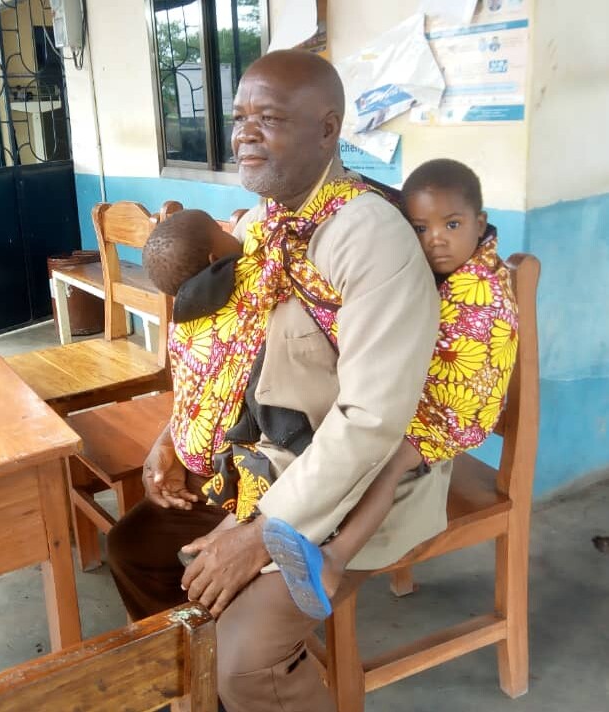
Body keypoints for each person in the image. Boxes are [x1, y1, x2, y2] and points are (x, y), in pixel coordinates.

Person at [107, 49, 443, 712]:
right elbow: (226, 353)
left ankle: (238, 683)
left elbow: (372, 420)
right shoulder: (260, 227)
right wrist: (173, 438)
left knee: (245, 665)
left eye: (269, 117)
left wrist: (261, 532)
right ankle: (198, 691)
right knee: (133, 548)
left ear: (326, 130)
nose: (244, 134)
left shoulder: (366, 236)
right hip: (263, 462)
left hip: (359, 487)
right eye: (239, 118)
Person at [263, 159, 520, 620]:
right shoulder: (443, 272)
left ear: (480, 224)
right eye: (419, 228)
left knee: (384, 460)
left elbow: (469, 356)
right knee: (359, 434)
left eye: (452, 224)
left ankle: (333, 561)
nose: (435, 239)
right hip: (429, 399)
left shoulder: (482, 287)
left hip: (454, 414)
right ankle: (308, 523)